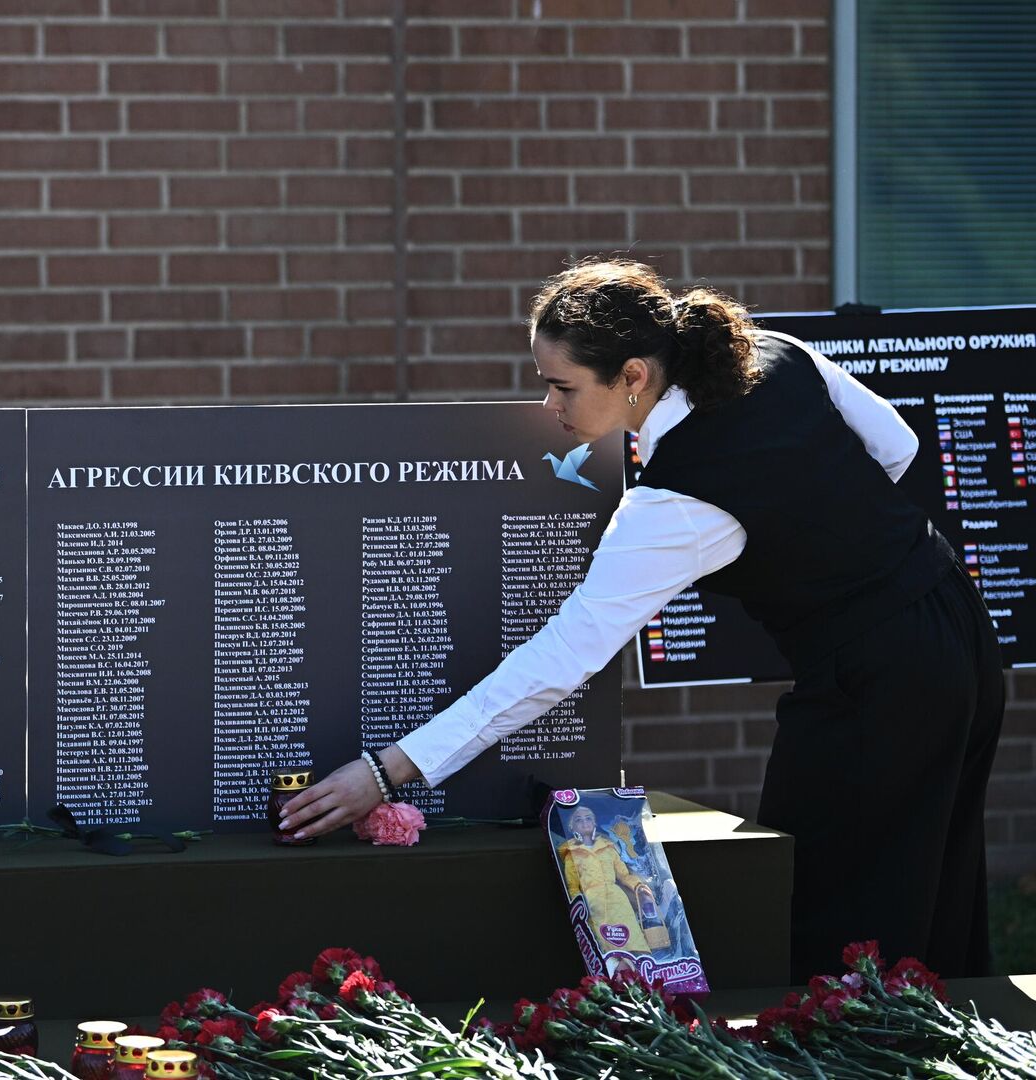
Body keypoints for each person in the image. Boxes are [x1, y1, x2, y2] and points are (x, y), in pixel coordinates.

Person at [278, 259, 1004, 980]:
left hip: (879, 679)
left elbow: (562, 657)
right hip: (958, 623)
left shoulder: (675, 500)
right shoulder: (774, 351)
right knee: (939, 894)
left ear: (631, 375)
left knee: (831, 918)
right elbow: (897, 445)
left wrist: (388, 768)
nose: (549, 406)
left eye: (563, 386)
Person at [556, 805, 655, 957]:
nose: (584, 822)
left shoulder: (608, 848)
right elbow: (573, 886)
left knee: (632, 937)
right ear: (572, 826)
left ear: (594, 822)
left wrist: (639, 886)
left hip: (617, 899)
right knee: (606, 946)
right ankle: (615, 976)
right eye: (579, 820)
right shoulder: (573, 854)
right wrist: (580, 907)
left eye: (588, 818)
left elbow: (623, 874)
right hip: (593, 902)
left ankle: (644, 970)